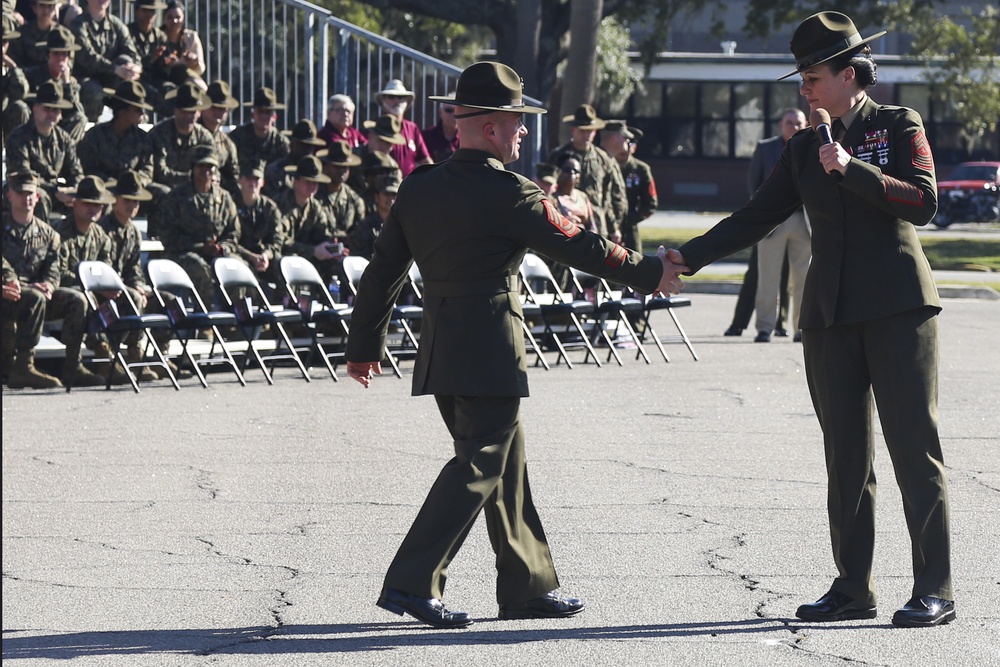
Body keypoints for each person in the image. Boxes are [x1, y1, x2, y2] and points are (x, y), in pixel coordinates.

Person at [344, 61, 686, 630]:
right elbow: (582, 246)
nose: (524, 131)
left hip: (441, 349)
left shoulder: (420, 186)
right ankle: (411, 582)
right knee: (480, 463)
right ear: (491, 126)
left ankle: (527, 584)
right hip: (490, 348)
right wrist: (650, 272)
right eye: (517, 121)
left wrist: (364, 345)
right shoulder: (512, 194)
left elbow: (382, 274)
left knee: (508, 465)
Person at [670, 12, 954, 628]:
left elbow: (924, 202)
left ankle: (934, 586)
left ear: (849, 75)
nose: (804, 88)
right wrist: (686, 257)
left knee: (913, 448)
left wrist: (851, 169)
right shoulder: (800, 149)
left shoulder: (899, 124)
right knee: (845, 454)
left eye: (813, 76)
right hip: (828, 314)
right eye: (800, 77)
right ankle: (854, 587)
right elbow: (754, 217)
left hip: (900, 308)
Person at [53, 174, 133, 385]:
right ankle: (76, 366)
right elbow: (58, 274)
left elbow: (106, 270)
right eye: (88, 204)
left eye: (98, 205)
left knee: (129, 296)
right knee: (81, 298)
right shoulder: (60, 233)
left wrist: (106, 288)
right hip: (65, 292)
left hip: (93, 293)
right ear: (75, 203)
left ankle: (111, 356)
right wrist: (91, 288)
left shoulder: (100, 235)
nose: (93, 209)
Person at [749, 108, 811, 343]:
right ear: (780, 124)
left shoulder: (811, 146)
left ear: (805, 125)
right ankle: (764, 328)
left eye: (798, 123)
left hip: (804, 222)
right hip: (772, 222)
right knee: (768, 278)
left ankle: (801, 328)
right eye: (789, 123)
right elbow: (753, 184)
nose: (794, 127)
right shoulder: (766, 148)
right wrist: (760, 217)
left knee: (804, 279)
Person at [1, 171, 66, 389]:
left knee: (77, 300)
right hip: (5, 294)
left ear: (37, 197)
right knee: (34, 297)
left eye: (30, 193)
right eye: (20, 193)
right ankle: (23, 367)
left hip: (32, 295)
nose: (26, 198)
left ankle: (74, 367)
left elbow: (54, 268)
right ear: (9, 195)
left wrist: (49, 284)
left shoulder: (48, 234)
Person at [158, 145, 239, 306]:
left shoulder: (224, 198)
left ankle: (234, 318)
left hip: (216, 253)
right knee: (200, 270)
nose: (206, 170)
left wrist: (222, 247)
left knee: (237, 267)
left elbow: (233, 232)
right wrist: (201, 248)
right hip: (181, 254)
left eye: (210, 166)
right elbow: (167, 236)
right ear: (193, 168)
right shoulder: (176, 197)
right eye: (201, 166)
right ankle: (204, 319)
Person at [100, 169, 158, 381]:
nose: (132, 206)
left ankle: (161, 354)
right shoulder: (103, 228)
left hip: (125, 287)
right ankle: (132, 354)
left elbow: (134, 267)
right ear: (115, 200)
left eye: (136, 201)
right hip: (105, 289)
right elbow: (102, 266)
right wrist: (131, 288)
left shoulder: (133, 231)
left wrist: (139, 285)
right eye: (127, 200)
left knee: (166, 300)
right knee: (133, 297)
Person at [547, 104, 627, 242]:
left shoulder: (604, 159)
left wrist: (613, 228)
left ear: (595, 132)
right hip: (566, 222)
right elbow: (548, 190)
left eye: (590, 131)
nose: (586, 135)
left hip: (597, 226)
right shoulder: (558, 157)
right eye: (582, 131)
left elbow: (610, 196)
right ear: (573, 130)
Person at [5, 80, 83, 217]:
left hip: (57, 192)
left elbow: (75, 171)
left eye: (56, 110)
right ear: (35, 109)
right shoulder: (18, 137)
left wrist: (73, 190)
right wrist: (56, 192)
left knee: (89, 203)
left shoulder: (63, 139)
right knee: (39, 199)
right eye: (47, 109)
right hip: (24, 192)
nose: (52, 114)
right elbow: (23, 175)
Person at [69, 0, 142, 121]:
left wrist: (134, 68)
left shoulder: (116, 24)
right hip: (85, 77)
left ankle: (128, 120)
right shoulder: (78, 24)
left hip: (110, 77)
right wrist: (114, 69)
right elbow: (87, 57)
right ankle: (91, 127)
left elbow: (131, 51)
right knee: (94, 90)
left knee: (126, 61)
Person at [276, 154, 341, 286]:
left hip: (306, 255)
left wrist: (331, 248)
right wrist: (313, 251)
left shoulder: (315, 207)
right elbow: (280, 241)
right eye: (308, 182)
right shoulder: (279, 205)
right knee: (291, 262)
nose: (312, 186)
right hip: (282, 256)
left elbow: (324, 233)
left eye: (315, 183)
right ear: (295, 181)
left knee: (337, 264)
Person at [603, 121, 658, 254]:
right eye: (624, 143)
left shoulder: (641, 170)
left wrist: (629, 220)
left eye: (630, 144)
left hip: (629, 229)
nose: (626, 149)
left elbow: (650, 204)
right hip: (604, 226)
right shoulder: (604, 164)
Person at [234, 160, 284, 283]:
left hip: (263, 256)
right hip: (239, 254)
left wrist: (266, 255)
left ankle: (284, 301)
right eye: (248, 178)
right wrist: (250, 257)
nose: (252, 183)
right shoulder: (231, 205)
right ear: (240, 180)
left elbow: (277, 240)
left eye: (256, 179)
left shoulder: (270, 208)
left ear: (262, 182)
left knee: (282, 264)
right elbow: (228, 240)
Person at [372, 78, 432, 177]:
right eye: (391, 96)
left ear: (406, 102)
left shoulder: (412, 128)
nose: (396, 100)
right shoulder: (375, 127)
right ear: (383, 101)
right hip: (383, 186)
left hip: (409, 188)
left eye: (401, 97)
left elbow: (425, 160)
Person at [229, 86, 290, 170]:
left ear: (274, 117)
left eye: (268, 112)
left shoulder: (281, 143)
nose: (263, 116)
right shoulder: (238, 136)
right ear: (252, 115)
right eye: (260, 111)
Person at [263, 118, 326, 200]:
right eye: (302, 145)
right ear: (292, 144)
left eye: (310, 146)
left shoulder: (317, 171)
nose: (307, 150)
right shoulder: (275, 170)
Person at [199, 79, 241, 202]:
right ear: (204, 107)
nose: (218, 112)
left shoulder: (228, 145)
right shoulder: (192, 134)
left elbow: (233, 179)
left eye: (222, 109)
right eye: (214, 107)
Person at [317, 140, 365, 242]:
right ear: (326, 167)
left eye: (345, 167)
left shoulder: (354, 199)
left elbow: (359, 232)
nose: (341, 171)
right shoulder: (314, 194)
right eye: (336, 166)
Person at [347, 172, 397, 261]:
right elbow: (359, 258)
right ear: (376, 197)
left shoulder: (404, 225)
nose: (391, 199)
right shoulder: (365, 226)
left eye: (394, 194)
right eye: (386, 194)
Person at [7, 0, 62, 69]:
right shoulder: (23, 33)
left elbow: (66, 62)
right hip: (26, 76)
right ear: (34, 8)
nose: (46, 10)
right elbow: (16, 60)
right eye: (42, 5)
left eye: (50, 6)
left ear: (54, 9)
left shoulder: (62, 34)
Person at [2, 15, 31, 144]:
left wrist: (13, 68)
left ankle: (17, 148)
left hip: (5, 117)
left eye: (4, 42)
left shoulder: (9, 68)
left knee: (21, 108)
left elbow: (22, 92)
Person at [160, 0, 204, 79]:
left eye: (178, 17)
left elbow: (201, 68)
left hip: (187, 77)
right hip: (163, 78)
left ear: (183, 19)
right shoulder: (157, 36)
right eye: (170, 17)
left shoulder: (191, 37)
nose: (174, 21)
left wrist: (194, 62)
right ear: (164, 18)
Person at [421, 96, 459, 162]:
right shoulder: (426, 136)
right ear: (440, 112)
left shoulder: (466, 137)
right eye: (449, 110)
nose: (453, 114)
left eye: (457, 111)